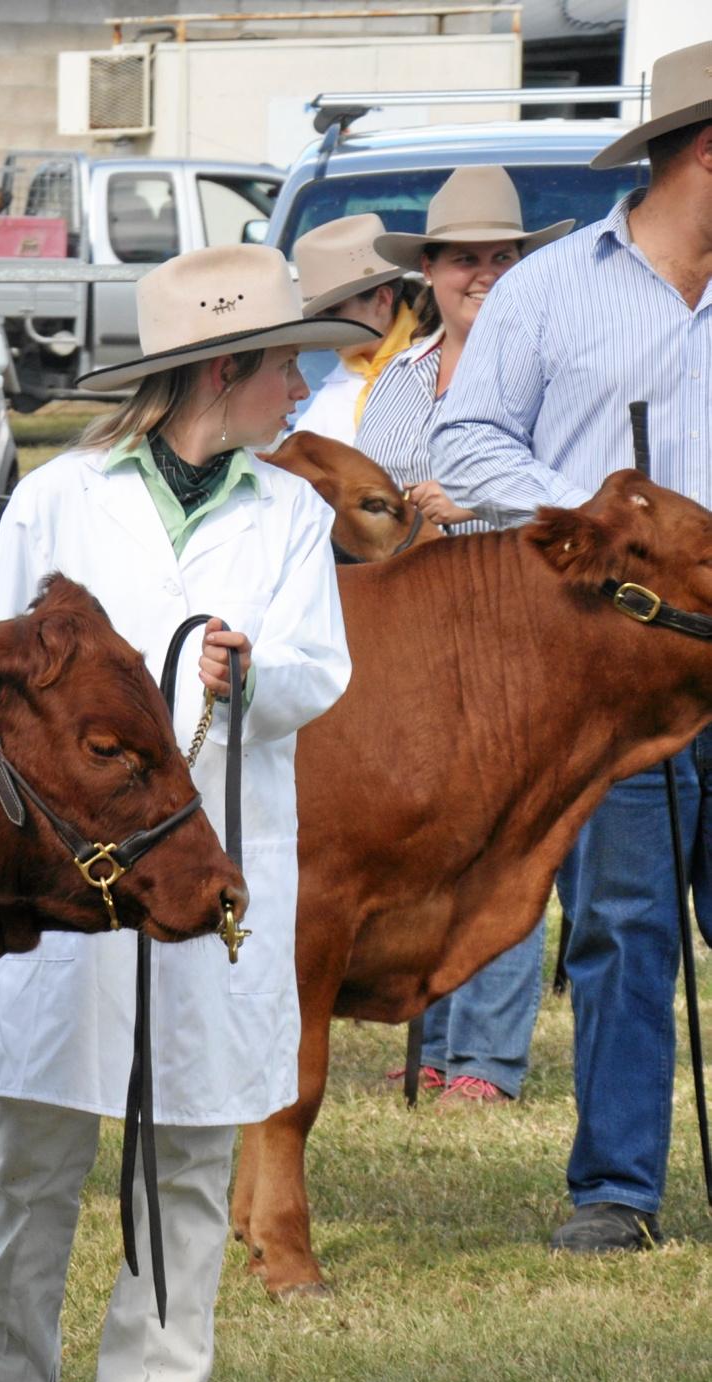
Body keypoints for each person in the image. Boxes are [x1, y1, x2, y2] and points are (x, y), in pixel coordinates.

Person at [0, 245, 361, 1382]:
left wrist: (251, 672)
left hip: (207, 858)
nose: (303, 390)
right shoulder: (57, 499)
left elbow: (325, 673)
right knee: (34, 1141)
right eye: (286, 366)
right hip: (68, 871)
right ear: (223, 370)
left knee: (190, 1145)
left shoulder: (292, 513)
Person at [433, 41, 712, 1253]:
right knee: (624, 920)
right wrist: (596, 536)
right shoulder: (551, 288)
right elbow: (468, 443)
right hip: (621, 660)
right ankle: (617, 1189)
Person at [353, 168, 570, 1105]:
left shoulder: (548, 368)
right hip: (417, 633)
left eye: (501, 257)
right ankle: (432, 1029)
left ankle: (486, 1055)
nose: (484, 273)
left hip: (517, 630)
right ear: (429, 271)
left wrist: (477, 497)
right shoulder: (398, 378)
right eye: (465, 259)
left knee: (507, 836)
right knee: (431, 838)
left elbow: (570, 495)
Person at [288, 213, 423, 444]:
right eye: (317, 318)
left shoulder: (446, 362)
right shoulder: (328, 399)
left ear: (382, 299)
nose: (326, 330)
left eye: (334, 311)